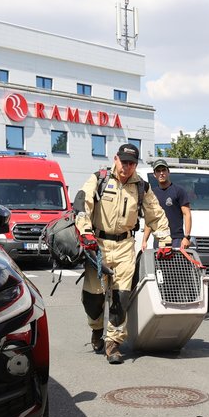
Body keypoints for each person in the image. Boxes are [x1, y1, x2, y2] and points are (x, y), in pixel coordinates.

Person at [76, 143, 171, 364]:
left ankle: (113, 343)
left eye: (131, 163)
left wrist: (165, 241)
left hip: (125, 246)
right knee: (93, 297)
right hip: (97, 245)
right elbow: (83, 202)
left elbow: (155, 215)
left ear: (135, 165)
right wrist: (85, 232)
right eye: (123, 161)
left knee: (121, 296)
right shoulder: (99, 179)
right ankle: (96, 329)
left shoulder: (142, 187)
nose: (126, 167)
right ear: (115, 159)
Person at [141, 158, 192, 250]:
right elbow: (150, 218)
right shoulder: (151, 194)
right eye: (158, 171)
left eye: (164, 170)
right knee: (159, 264)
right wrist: (144, 240)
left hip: (176, 239)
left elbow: (187, 214)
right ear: (154, 174)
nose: (161, 173)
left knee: (176, 264)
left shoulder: (179, 191)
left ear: (168, 172)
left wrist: (186, 237)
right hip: (159, 238)